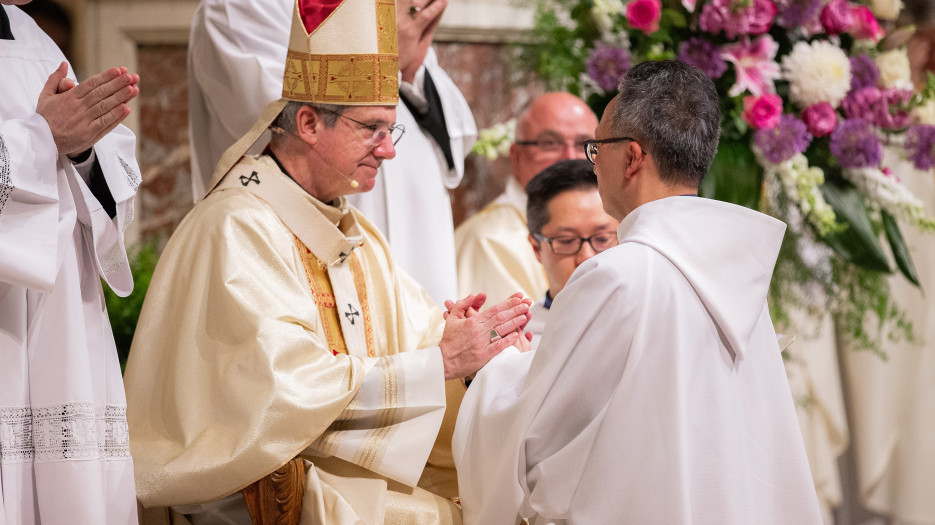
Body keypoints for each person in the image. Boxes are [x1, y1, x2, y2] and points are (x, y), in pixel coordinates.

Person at [124, 1, 529, 523]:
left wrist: (470, 342)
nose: (388, 150)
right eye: (373, 130)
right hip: (263, 493)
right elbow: (277, 393)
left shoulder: (352, 232)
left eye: (393, 130)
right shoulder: (239, 228)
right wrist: (440, 362)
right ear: (310, 123)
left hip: (346, 478)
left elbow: (414, 331)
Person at [452, 60, 822, 524]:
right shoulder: (732, 274)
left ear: (630, 157)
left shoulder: (619, 275)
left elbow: (537, 436)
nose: (591, 161)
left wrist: (492, 364)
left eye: (595, 147)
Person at [188, 0, 475, 306]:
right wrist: (384, 59)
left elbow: (458, 138)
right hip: (317, 234)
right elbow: (284, 124)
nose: (388, 150)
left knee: (423, 330)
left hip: (416, 224)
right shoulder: (240, 6)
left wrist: (409, 67)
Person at [0, 2, 141, 524]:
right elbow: (44, 138)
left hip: (63, 320)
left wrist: (81, 151)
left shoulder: (33, 38)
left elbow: (104, 171)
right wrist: (43, 139)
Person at [454, 92, 598, 306]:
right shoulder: (487, 240)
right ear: (516, 155)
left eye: (582, 144)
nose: (570, 157)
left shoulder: (616, 224)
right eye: (550, 143)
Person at [522, 159, 619, 348]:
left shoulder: (650, 325)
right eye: (567, 241)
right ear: (537, 248)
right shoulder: (522, 344)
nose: (587, 257)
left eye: (602, 238)